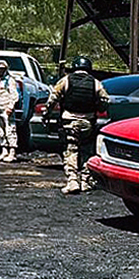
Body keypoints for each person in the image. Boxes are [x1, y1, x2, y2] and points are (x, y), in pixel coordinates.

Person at [49, 56, 110, 194]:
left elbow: (53, 98)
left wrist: (47, 114)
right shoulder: (95, 83)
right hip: (88, 122)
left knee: (71, 150)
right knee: (87, 151)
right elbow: (105, 100)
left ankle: (72, 181)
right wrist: (98, 109)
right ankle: (85, 182)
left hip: (69, 121)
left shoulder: (65, 80)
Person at [0, 59, 22, 163]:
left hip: (6, 109)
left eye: (3, 69)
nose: (1, 71)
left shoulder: (10, 81)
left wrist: (10, 107)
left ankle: (12, 152)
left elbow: (14, 95)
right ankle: (4, 151)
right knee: (0, 131)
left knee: (10, 130)